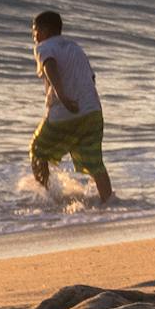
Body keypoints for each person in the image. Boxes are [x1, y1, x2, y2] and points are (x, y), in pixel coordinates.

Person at [29, 10, 113, 203]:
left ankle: (48, 198)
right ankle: (110, 202)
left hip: (66, 112)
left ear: (45, 30)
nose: (34, 36)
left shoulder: (43, 47)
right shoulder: (75, 47)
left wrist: (62, 96)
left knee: (37, 150)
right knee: (96, 163)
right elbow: (91, 77)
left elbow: (49, 65)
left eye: (35, 31)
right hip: (93, 112)